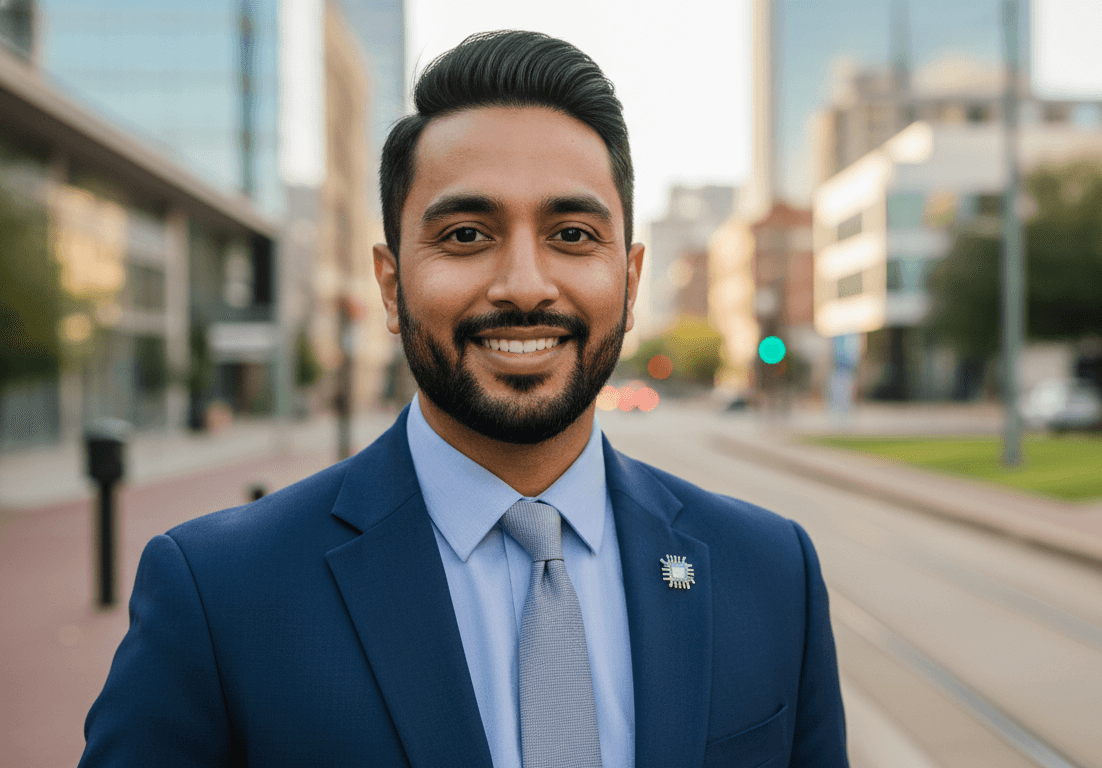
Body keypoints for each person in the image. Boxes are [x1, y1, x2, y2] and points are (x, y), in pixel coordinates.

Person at [80, 30, 847, 768]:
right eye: (467, 235)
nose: (523, 285)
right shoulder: (220, 594)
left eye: (574, 235)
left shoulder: (771, 572)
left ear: (631, 278)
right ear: (390, 283)